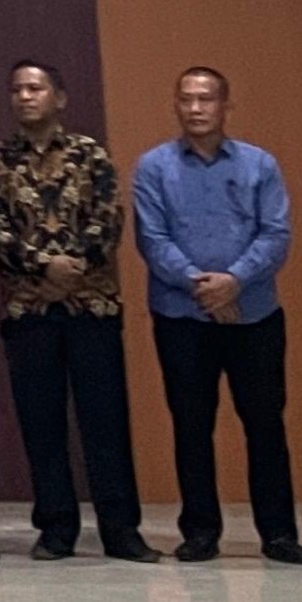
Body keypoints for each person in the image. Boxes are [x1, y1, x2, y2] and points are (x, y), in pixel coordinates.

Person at [0, 61, 159, 563]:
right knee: (42, 424)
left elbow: (108, 219)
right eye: (17, 89)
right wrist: (43, 266)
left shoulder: (90, 155)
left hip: (91, 306)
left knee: (106, 422)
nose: (25, 96)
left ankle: (121, 530)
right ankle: (56, 528)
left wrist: (72, 266)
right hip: (28, 309)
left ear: (59, 97)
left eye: (35, 88)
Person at [134, 66, 298, 565]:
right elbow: (153, 240)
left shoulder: (259, 165)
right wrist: (200, 286)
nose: (196, 108)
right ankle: (201, 531)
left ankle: (278, 533)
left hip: (254, 315)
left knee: (265, 425)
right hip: (181, 317)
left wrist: (233, 281)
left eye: (206, 99)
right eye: (186, 99)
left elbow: (275, 234)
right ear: (176, 105)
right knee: (191, 425)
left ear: (226, 105)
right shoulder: (153, 167)